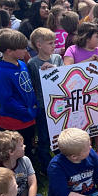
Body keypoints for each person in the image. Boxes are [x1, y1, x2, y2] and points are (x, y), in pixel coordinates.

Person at [63, 22, 98, 164]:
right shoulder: (72, 50)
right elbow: (67, 69)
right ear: (86, 37)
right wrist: (87, 62)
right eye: (97, 36)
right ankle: (85, 149)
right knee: (81, 124)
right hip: (79, 97)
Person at [0, 29, 37, 159]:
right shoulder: (1, 72)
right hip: (14, 120)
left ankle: (30, 170)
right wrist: (27, 111)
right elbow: (6, 100)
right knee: (15, 151)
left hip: (29, 116)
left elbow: (28, 88)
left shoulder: (22, 64)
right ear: (9, 51)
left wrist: (34, 106)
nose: (26, 51)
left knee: (28, 146)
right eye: (23, 48)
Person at [0, 131, 50, 196]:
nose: (25, 146)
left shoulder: (25, 160)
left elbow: (33, 183)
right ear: (11, 152)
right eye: (21, 145)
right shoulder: (0, 171)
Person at [27, 28, 63, 174]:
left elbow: (63, 77)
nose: (53, 46)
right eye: (50, 43)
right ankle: (46, 167)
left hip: (59, 104)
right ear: (39, 45)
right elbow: (33, 85)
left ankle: (61, 163)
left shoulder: (57, 58)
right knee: (43, 138)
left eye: (54, 42)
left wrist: (54, 69)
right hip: (43, 106)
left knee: (60, 135)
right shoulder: (32, 63)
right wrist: (43, 72)